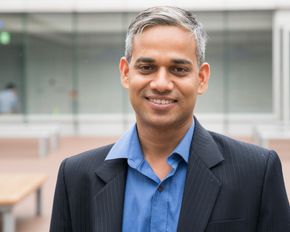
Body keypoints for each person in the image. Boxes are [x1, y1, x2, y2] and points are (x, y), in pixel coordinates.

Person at [50, 6, 290, 232]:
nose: (161, 84)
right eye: (146, 67)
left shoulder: (256, 172)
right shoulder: (76, 177)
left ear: (202, 78)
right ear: (126, 73)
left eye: (179, 69)